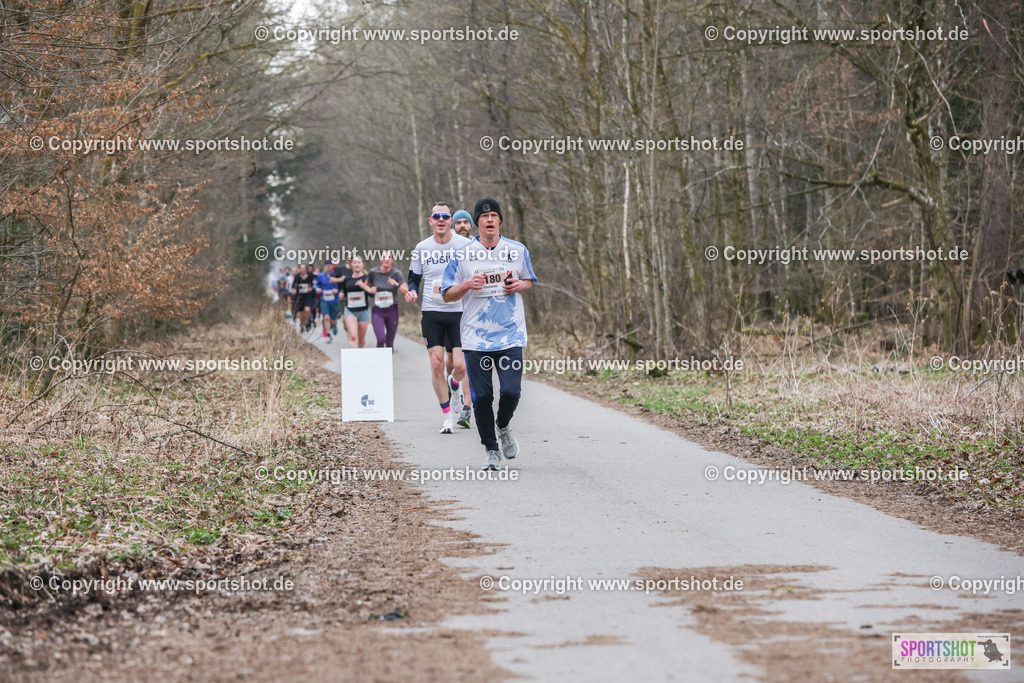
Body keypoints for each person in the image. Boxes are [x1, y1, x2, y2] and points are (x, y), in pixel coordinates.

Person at [442, 197, 537, 470]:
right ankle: (491, 450)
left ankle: (503, 426)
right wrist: (466, 285)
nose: (490, 220)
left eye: (495, 215)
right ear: (477, 223)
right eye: (484, 216)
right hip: (475, 337)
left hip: (511, 335)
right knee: (482, 398)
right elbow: (447, 295)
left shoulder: (517, 250)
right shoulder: (461, 255)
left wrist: (520, 284)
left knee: (511, 391)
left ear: (500, 221)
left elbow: (529, 280)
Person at [406, 202, 472, 434]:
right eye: (437, 216)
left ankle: (454, 387)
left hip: (460, 312)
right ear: (431, 221)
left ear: (451, 220)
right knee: (436, 364)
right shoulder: (422, 247)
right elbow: (413, 277)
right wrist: (412, 290)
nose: (441, 219)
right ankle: (446, 417)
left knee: (460, 366)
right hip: (432, 312)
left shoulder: (465, 244)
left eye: (445, 216)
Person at [367, 251, 409, 349]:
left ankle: (388, 362)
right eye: (384, 257)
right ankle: (380, 362)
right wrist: (370, 291)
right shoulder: (373, 272)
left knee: (390, 343)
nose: (387, 259)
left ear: (392, 260)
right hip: (377, 310)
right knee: (381, 339)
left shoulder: (396, 273)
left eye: (389, 257)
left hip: (392, 310)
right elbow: (366, 286)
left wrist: (396, 284)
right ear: (381, 259)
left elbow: (406, 291)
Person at [342, 255, 375, 348]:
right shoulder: (347, 279)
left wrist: (364, 286)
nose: (357, 264)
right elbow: (343, 292)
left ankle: (359, 357)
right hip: (350, 310)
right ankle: (352, 360)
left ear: (362, 265)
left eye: (359, 262)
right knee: (353, 337)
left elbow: (372, 295)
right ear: (351, 264)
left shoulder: (367, 279)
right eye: (355, 262)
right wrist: (341, 294)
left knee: (361, 340)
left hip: (364, 311)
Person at [316, 259, 345, 341]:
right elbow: (317, 285)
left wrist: (338, 291)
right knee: (326, 317)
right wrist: (317, 289)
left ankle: (334, 325)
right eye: (327, 266)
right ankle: (329, 335)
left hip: (334, 300)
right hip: (324, 300)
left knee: (333, 320)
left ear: (333, 266)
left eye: (330, 266)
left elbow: (342, 286)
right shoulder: (321, 276)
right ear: (325, 266)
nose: (329, 268)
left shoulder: (336, 275)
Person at [291, 263, 317, 332]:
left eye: (304, 268)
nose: (303, 269)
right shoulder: (297, 277)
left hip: (308, 296)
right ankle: (302, 325)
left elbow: (314, 285)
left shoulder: (310, 276)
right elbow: (293, 286)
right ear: (300, 269)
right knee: (301, 313)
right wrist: (295, 289)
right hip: (299, 297)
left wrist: (311, 288)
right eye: (301, 268)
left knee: (307, 310)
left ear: (306, 269)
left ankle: (307, 323)